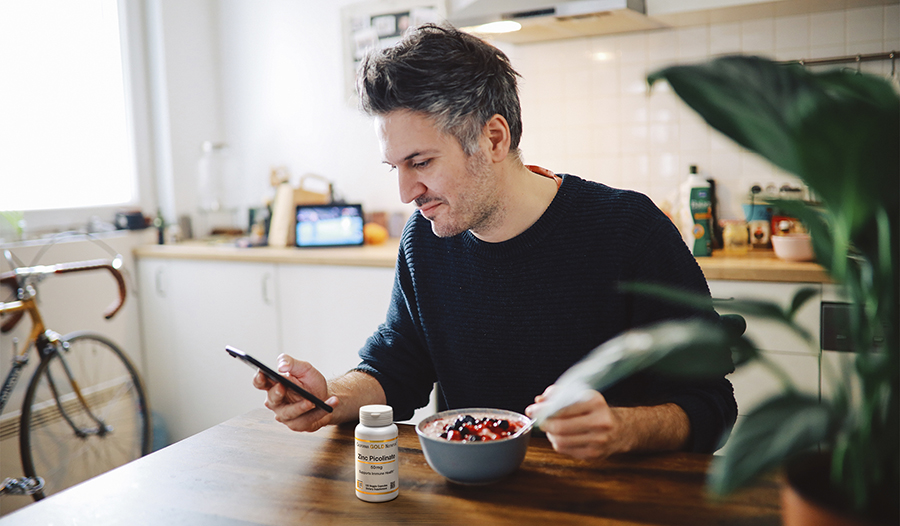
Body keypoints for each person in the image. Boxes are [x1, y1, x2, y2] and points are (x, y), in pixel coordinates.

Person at [254, 24, 737, 460]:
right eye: (395, 167)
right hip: (475, 501)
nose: (405, 193)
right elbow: (396, 368)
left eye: (421, 162)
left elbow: (712, 405)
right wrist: (328, 398)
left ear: (494, 139)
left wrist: (624, 428)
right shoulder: (423, 240)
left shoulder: (630, 231)